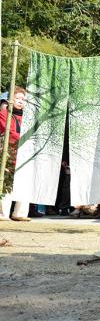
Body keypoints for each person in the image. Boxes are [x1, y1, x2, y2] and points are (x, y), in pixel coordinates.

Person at [0, 87, 30, 221]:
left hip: (24, 153)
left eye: (23, 99)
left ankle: (20, 213)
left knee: (25, 182)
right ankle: (3, 213)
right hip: (9, 152)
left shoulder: (27, 117)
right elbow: (10, 132)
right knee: (7, 182)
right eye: (17, 98)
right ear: (9, 100)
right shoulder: (4, 113)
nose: (20, 101)